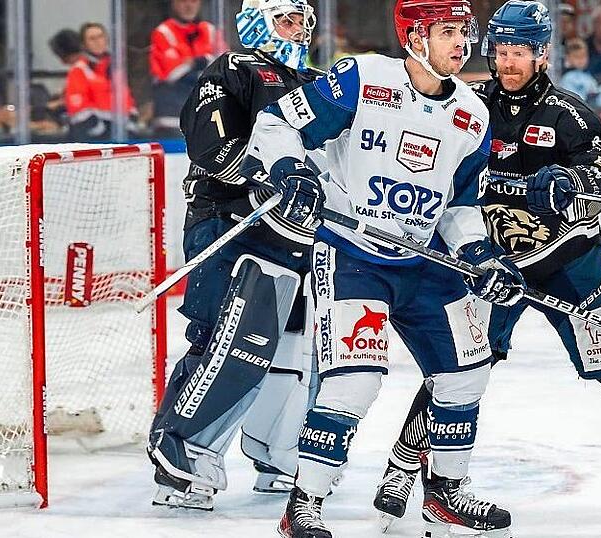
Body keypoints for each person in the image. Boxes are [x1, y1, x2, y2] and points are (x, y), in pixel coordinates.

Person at [372, 1, 601, 534]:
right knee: (455, 371)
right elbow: (443, 173)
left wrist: (577, 187)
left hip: (571, 259)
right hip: (494, 266)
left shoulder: (569, 113)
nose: (507, 62)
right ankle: (403, 470)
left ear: (541, 53)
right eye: (500, 51)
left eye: (518, 52)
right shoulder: (470, 107)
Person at [246, 1, 526, 536]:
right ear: (415, 36)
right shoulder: (361, 78)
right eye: (448, 32)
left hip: (423, 261)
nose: (461, 44)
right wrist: (289, 171)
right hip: (353, 255)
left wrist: (479, 254)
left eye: (464, 32)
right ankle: (304, 502)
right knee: (356, 382)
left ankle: (445, 494)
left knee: (467, 373)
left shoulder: (472, 113)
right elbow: (276, 122)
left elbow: (461, 204)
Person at [146, 0, 323, 510]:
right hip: (229, 223)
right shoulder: (233, 69)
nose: (297, 31)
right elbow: (210, 146)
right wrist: (268, 177)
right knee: (225, 337)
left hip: (295, 232)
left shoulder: (316, 84)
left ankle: (281, 455)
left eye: (302, 22)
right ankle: (181, 457)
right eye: (285, 20)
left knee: (294, 346)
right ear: (256, 21)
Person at [149, 0, 223, 137]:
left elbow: (224, 68)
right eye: (183, 1)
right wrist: (205, 63)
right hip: (172, 117)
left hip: (207, 115)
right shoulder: (163, 32)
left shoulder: (209, 30)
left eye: (193, 1)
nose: (189, 5)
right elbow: (173, 75)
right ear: (173, 3)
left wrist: (192, 64)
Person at [63, 23, 139, 140]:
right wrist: (100, 127)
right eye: (92, 39)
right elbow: (78, 110)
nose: (98, 42)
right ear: (84, 44)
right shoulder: (79, 70)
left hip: (118, 133)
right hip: (92, 136)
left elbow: (127, 101)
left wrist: (131, 121)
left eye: (100, 36)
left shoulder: (115, 68)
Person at [561, 38, 601, 117]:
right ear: (568, 58)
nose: (581, 60)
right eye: (576, 57)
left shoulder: (587, 76)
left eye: (583, 56)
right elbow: (573, 102)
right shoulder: (567, 78)